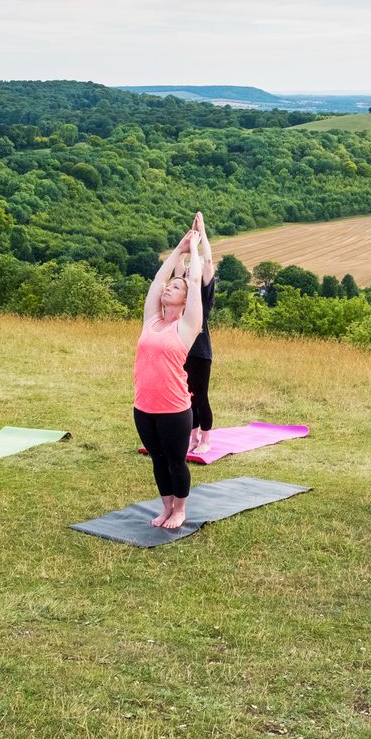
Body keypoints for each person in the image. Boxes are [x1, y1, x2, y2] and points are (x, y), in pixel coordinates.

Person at [134, 228, 205, 529]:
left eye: (175, 288)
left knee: (176, 462)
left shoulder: (188, 325)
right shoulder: (152, 319)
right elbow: (157, 281)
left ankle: (180, 510)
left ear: (186, 299)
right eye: (169, 287)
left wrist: (197, 249)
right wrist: (180, 247)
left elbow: (194, 281)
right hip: (143, 406)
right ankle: (165, 508)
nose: (168, 289)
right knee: (157, 460)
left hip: (175, 409)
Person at [183, 212, 218, 457]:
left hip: (201, 352)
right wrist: (188, 241)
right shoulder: (181, 293)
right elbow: (178, 264)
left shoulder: (202, 295)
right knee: (187, 395)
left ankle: (206, 438)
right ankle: (192, 435)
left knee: (201, 395)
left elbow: (206, 263)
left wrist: (202, 233)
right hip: (181, 349)